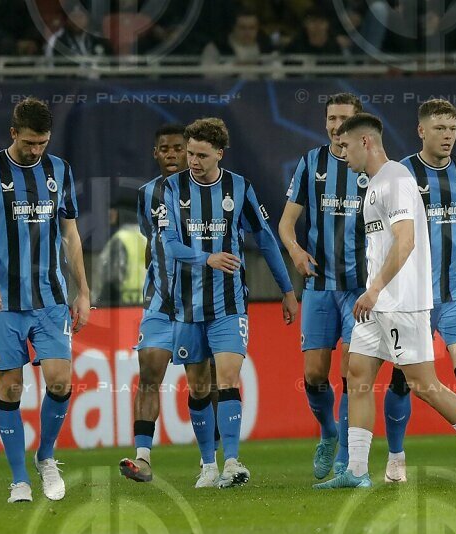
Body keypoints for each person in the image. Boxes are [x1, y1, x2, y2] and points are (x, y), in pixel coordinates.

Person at [313, 113, 456, 489]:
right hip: (379, 303)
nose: (343, 153)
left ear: (366, 142)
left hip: (402, 301)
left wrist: (374, 289)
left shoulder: (395, 182)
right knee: (357, 374)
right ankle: (356, 470)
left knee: (424, 384)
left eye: (347, 146)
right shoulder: (373, 185)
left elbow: (406, 241)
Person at [0, 97, 90, 503]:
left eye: (43, 143)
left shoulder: (60, 171)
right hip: (2, 300)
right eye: (30, 143)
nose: (37, 151)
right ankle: (19, 479)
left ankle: (46, 457)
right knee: (11, 386)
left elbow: (69, 233)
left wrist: (83, 290)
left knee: (59, 379)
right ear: (13, 133)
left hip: (50, 298)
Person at [161, 118, 298, 488]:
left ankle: (233, 461)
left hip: (229, 303)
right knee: (198, 385)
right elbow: (169, 244)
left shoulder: (239, 188)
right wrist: (206, 258)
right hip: (187, 304)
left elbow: (266, 240)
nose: (193, 160)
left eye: (202, 155)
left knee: (227, 377)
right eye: (190, 153)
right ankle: (207, 464)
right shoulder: (171, 189)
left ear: (219, 154)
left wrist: (287, 290)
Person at [383, 99, 456, 483]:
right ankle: (396, 456)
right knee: (403, 381)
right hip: (414, 299)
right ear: (421, 131)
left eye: (452, 129)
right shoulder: (402, 174)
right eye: (440, 128)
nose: (448, 136)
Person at [278, 93, 369, 479]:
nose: (335, 126)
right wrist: (296, 252)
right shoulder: (311, 163)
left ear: (357, 123)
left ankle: (350, 460)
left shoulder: (373, 168)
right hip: (317, 285)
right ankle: (329, 433)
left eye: (343, 118)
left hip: (359, 290)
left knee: (352, 371)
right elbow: (285, 225)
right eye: (331, 118)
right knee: (314, 376)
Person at [119, 124, 187, 483]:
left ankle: (214, 462)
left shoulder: (210, 189)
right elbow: (152, 239)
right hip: (160, 302)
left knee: (203, 382)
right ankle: (142, 458)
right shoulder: (147, 194)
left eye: (179, 148)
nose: (172, 154)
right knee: (148, 372)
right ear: (156, 153)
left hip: (202, 303)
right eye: (165, 149)